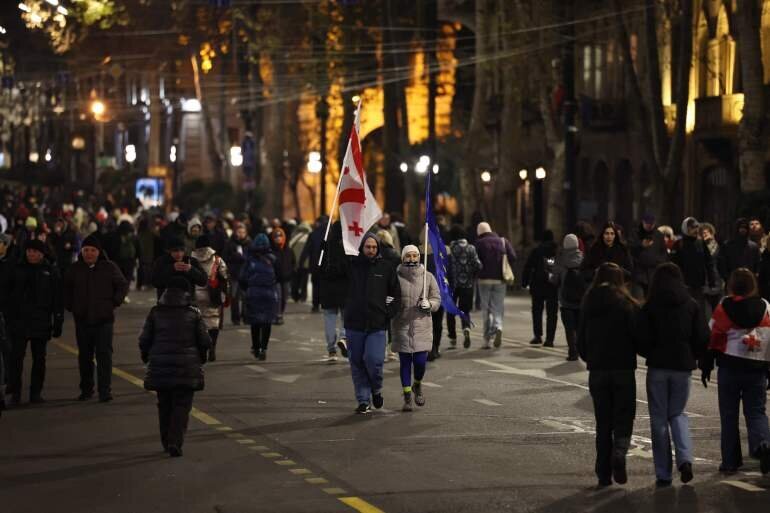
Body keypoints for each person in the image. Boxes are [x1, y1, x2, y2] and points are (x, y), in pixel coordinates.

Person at [638, 263, 709, 487]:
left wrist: (651, 352)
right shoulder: (691, 304)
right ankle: (685, 460)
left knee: (659, 419)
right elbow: (702, 336)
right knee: (678, 414)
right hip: (682, 366)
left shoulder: (650, 306)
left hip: (658, 366)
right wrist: (694, 355)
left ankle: (663, 474)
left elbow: (641, 338)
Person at [700, 268, 770, 475]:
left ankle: (730, 461)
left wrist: (706, 365)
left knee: (729, 416)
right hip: (757, 367)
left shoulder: (724, 306)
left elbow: (714, 337)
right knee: (756, 411)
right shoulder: (765, 306)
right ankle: (764, 444)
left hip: (729, 367)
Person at [578, 262, 640, 488]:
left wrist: (591, 357)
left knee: (603, 423)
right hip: (623, 369)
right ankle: (620, 451)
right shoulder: (626, 304)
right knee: (623, 416)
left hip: (598, 370)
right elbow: (638, 337)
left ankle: (603, 473)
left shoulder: (589, 302)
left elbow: (581, 341)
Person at [139, 276, 212, 457]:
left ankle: (166, 441)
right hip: (187, 368)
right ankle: (175, 441)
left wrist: (147, 357)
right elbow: (205, 341)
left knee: (164, 405)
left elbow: (144, 339)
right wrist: (201, 359)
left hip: (160, 367)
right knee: (182, 406)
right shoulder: (193, 314)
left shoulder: (155, 312)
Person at [62, 235, 129, 402]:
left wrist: (114, 302)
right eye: (86, 250)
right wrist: (71, 306)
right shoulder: (74, 269)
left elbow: (122, 285)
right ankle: (86, 389)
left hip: (104, 319)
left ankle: (104, 390)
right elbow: (66, 289)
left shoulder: (109, 267)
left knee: (104, 356)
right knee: (84, 356)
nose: (89, 253)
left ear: (99, 252)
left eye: (92, 250)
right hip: (82, 319)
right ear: (81, 252)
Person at [344, 234, 401, 414]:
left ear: (378, 248)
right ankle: (363, 400)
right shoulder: (352, 266)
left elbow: (396, 295)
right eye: (367, 247)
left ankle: (376, 389)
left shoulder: (386, 268)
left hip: (377, 324)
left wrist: (387, 313)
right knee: (357, 362)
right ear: (361, 248)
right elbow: (331, 274)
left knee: (374, 361)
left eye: (374, 247)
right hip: (355, 323)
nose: (371, 250)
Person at [5, 240, 64, 405]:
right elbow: (6, 294)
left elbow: (57, 298)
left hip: (41, 321)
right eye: (29, 251)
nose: (32, 254)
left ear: (42, 254)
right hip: (19, 321)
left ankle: (35, 393)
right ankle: (15, 393)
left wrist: (58, 320)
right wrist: (9, 317)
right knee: (16, 359)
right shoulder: (16, 269)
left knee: (40, 359)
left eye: (36, 252)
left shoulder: (50, 271)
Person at [391, 245, 440, 411]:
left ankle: (417, 384)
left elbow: (436, 299)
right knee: (405, 362)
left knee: (420, 362)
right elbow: (388, 295)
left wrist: (430, 304)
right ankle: (407, 398)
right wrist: (389, 303)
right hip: (401, 325)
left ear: (419, 257)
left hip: (421, 326)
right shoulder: (395, 277)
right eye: (408, 256)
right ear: (403, 258)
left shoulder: (429, 277)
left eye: (414, 255)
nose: (412, 259)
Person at [474, 222, 517, 349]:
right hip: (500, 280)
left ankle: (486, 340)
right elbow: (513, 257)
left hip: (484, 281)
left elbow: (474, 262)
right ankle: (498, 326)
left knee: (486, 309)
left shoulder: (479, 244)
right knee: (498, 307)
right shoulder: (503, 241)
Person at [191, 235, 229, 362]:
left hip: (195, 295)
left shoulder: (190, 259)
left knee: (198, 323)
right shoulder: (217, 260)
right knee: (213, 323)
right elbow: (224, 276)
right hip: (212, 295)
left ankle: (202, 349)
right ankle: (212, 348)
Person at [240, 234, 278, 361]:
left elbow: (242, 278)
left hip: (254, 293)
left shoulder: (249, 259)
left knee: (255, 322)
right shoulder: (272, 259)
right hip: (269, 294)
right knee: (267, 322)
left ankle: (256, 347)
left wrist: (247, 289)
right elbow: (279, 276)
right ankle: (264, 348)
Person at [549, 234, 585, 361]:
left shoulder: (560, 258)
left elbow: (555, 280)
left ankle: (572, 352)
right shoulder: (583, 257)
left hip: (565, 300)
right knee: (580, 327)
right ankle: (582, 350)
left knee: (569, 329)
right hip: (581, 300)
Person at [521, 230, 559, 346]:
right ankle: (550, 339)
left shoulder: (536, 251)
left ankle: (538, 336)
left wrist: (524, 282)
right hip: (552, 285)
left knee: (537, 311)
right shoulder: (557, 251)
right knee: (552, 313)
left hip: (538, 284)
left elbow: (528, 267)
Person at [671, 217, 716, 310]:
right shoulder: (679, 244)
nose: (695, 230)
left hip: (699, 285)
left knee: (699, 311)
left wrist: (712, 280)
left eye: (696, 227)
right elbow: (673, 265)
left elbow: (709, 262)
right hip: (683, 285)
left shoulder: (701, 243)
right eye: (692, 227)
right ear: (686, 229)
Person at [447, 226, 481, 349]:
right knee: (464, 310)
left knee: (450, 311)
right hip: (467, 284)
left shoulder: (450, 249)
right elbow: (478, 265)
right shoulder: (471, 248)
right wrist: (471, 275)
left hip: (452, 284)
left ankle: (453, 337)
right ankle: (466, 327)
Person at [319, 222, 348, 362]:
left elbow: (318, 268)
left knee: (329, 319)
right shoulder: (347, 248)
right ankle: (343, 337)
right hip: (344, 288)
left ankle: (331, 350)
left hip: (328, 289)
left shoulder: (325, 247)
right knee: (345, 317)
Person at [630, 214, 669, 299]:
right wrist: (641, 245)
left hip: (653, 275)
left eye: (651, 224)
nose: (649, 226)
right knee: (638, 302)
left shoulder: (659, 235)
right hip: (639, 275)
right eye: (647, 223)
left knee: (651, 302)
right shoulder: (635, 233)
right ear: (643, 222)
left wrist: (658, 262)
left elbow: (664, 253)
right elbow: (630, 249)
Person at [223, 224, 251, 325]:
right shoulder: (230, 243)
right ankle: (235, 318)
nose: (241, 234)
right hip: (234, 273)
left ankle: (246, 316)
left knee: (245, 297)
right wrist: (234, 257)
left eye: (243, 232)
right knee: (234, 297)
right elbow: (225, 258)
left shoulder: (249, 243)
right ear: (235, 232)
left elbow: (252, 257)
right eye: (239, 232)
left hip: (246, 274)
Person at [299, 216, 327, 313]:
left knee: (316, 285)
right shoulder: (330, 234)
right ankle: (324, 303)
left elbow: (306, 249)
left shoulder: (313, 234)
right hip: (326, 265)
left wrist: (301, 262)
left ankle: (315, 305)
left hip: (315, 264)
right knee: (324, 285)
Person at [270, 227, 294, 325]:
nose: (278, 238)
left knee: (284, 297)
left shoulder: (288, 250)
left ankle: (280, 313)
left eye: (280, 236)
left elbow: (293, 263)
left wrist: (291, 272)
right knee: (278, 297)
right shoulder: (271, 251)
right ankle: (278, 315)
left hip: (286, 278)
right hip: (275, 279)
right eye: (276, 237)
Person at [701, 222, 725, 313]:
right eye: (702, 233)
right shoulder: (699, 246)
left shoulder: (719, 245)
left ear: (712, 233)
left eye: (706, 232)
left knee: (718, 308)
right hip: (705, 279)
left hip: (718, 278)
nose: (704, 235)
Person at [288, 222, 311, 303]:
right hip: (305, 263)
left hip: (295, 263)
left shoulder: (294, 236)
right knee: (304, 281)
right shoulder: (310, 236)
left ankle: (295, 295)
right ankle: (303, 296)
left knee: (295, 280)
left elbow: (289, 247)